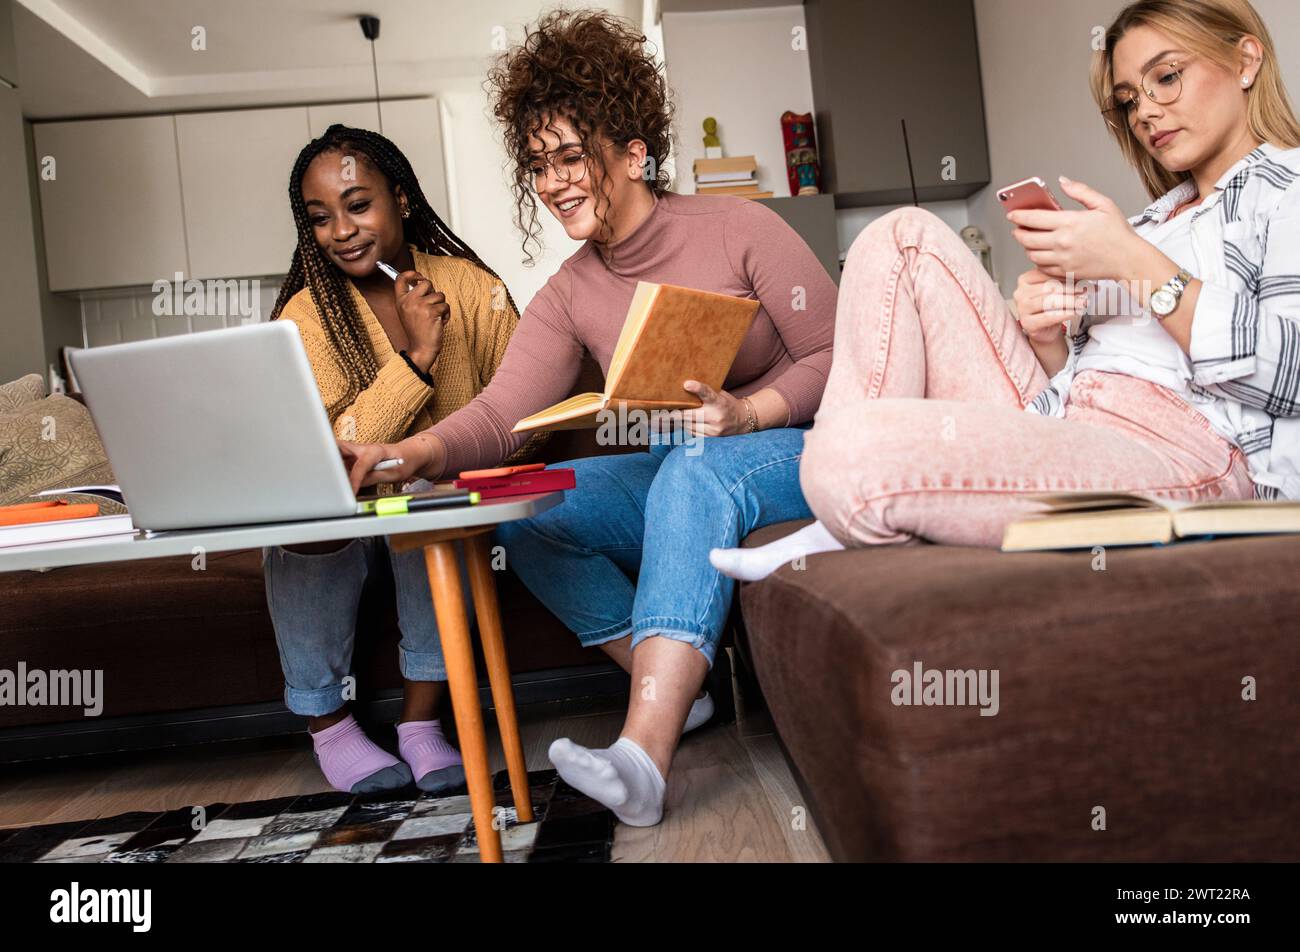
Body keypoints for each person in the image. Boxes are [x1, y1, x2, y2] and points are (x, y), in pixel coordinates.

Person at [338, 11, 837, 826]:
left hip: (797, 449)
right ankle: (681, 688)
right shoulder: (572, 289)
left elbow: (836, 353)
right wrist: (405, 452)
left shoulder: (742, 228)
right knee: (531, 506)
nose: (553, 180)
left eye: (571, 155)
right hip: (690, 467)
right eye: (538, 164)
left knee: (694, 464)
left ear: (634, 152)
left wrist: (748, 411)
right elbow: (505, 412)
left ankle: (643, 754)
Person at [712, 0, 1300, 581]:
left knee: (847, 451)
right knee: (901, 235)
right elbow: (1090, 375)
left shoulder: (1286, 190)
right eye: (1129, 100)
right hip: (1073, 421)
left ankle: (841, 499)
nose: (1145, 111)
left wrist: (1130, 260)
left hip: (1185, 452)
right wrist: (1048, 340)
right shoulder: (1158, 220)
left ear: (1246, 60)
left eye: (1166, 78)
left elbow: (1291, 375)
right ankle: (834, 512)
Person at [265, 124, 537, 794]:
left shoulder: (473, 289)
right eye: (320, 217)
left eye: (359, 205)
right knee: (303, 535)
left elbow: (526, 412)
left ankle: (420, 726)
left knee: (428, 504)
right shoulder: (307, 315)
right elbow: (334, 448)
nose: (341, 230)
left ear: (403, 200)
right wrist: (416, 359)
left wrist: (441, 453)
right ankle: (329, 727)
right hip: (341, 510)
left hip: (432, 497)